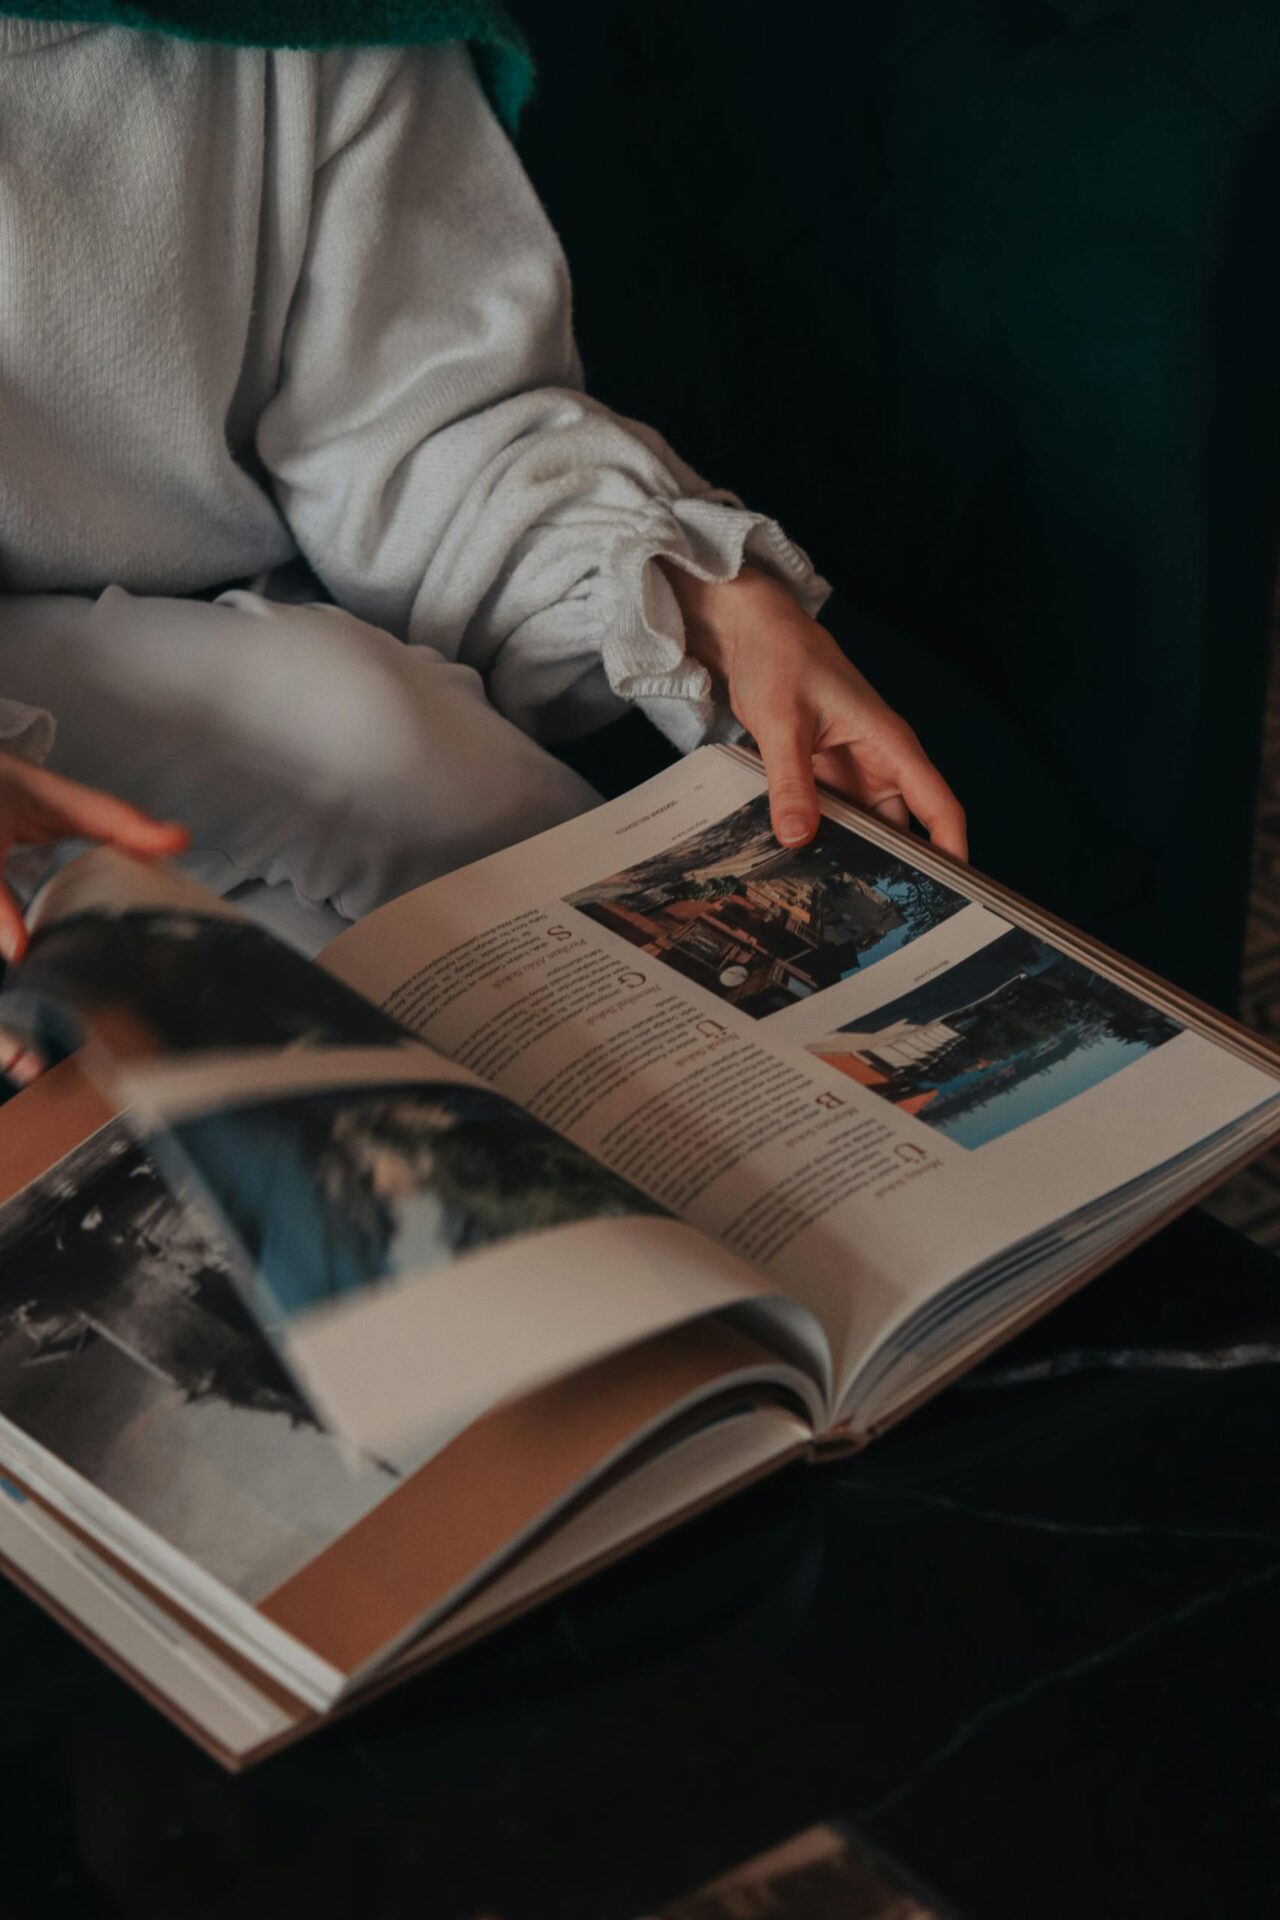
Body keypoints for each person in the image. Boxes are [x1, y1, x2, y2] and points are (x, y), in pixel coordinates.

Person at [0, 1, 966, 973]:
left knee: (414, 902)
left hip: (241, 645)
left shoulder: (306, 30)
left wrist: (705, 599)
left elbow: (414, 416)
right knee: (354, 732)